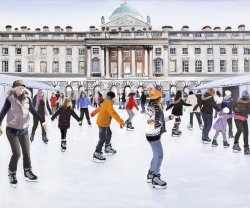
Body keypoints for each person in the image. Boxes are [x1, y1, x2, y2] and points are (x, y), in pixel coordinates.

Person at [0, 80, 47, 187]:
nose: (21, 89)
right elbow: (2, 113)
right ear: (14, 88)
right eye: (19, 87)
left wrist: (43, 121)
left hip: (24, 130)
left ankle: (27, 171)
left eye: (23, 87)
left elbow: (34, 112)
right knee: (17, 153)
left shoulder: (27, 99)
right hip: (12, 130)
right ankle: (12, 173)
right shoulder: (10, 99)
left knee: (26, 152)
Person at [145, 87, 175, 189]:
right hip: (153, 134)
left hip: (154, 133)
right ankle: (155, 178)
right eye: (160, 97)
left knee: (156, 155)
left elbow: (160, 121)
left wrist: (169, 118)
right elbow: (148, 118)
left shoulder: (157, 106)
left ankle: (151, 174)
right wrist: (151, 121)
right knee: (160, 156)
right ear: (157, 98)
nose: (161, 99)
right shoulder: (151, 107)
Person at [90, 91, 125, 162]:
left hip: (104, 123)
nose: (105, 96)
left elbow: (112, 113)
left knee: (109, 133)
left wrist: (94, 113)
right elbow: (112, 113)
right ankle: (96, 153)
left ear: (108, 96)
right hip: (103, 123)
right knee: (102, 138)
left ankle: (107, 147)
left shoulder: (107, 103)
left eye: (106, 95)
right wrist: (121, 122)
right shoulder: (107, 102)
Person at [232, 90, 250, 155]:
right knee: (245, 133)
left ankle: (236, 145)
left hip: (236, 118)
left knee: (239, 130)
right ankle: (246, 148)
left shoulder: (237, 102)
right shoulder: (248, 103)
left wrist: (236, 113)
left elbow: (233, 107)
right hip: (242, 119)